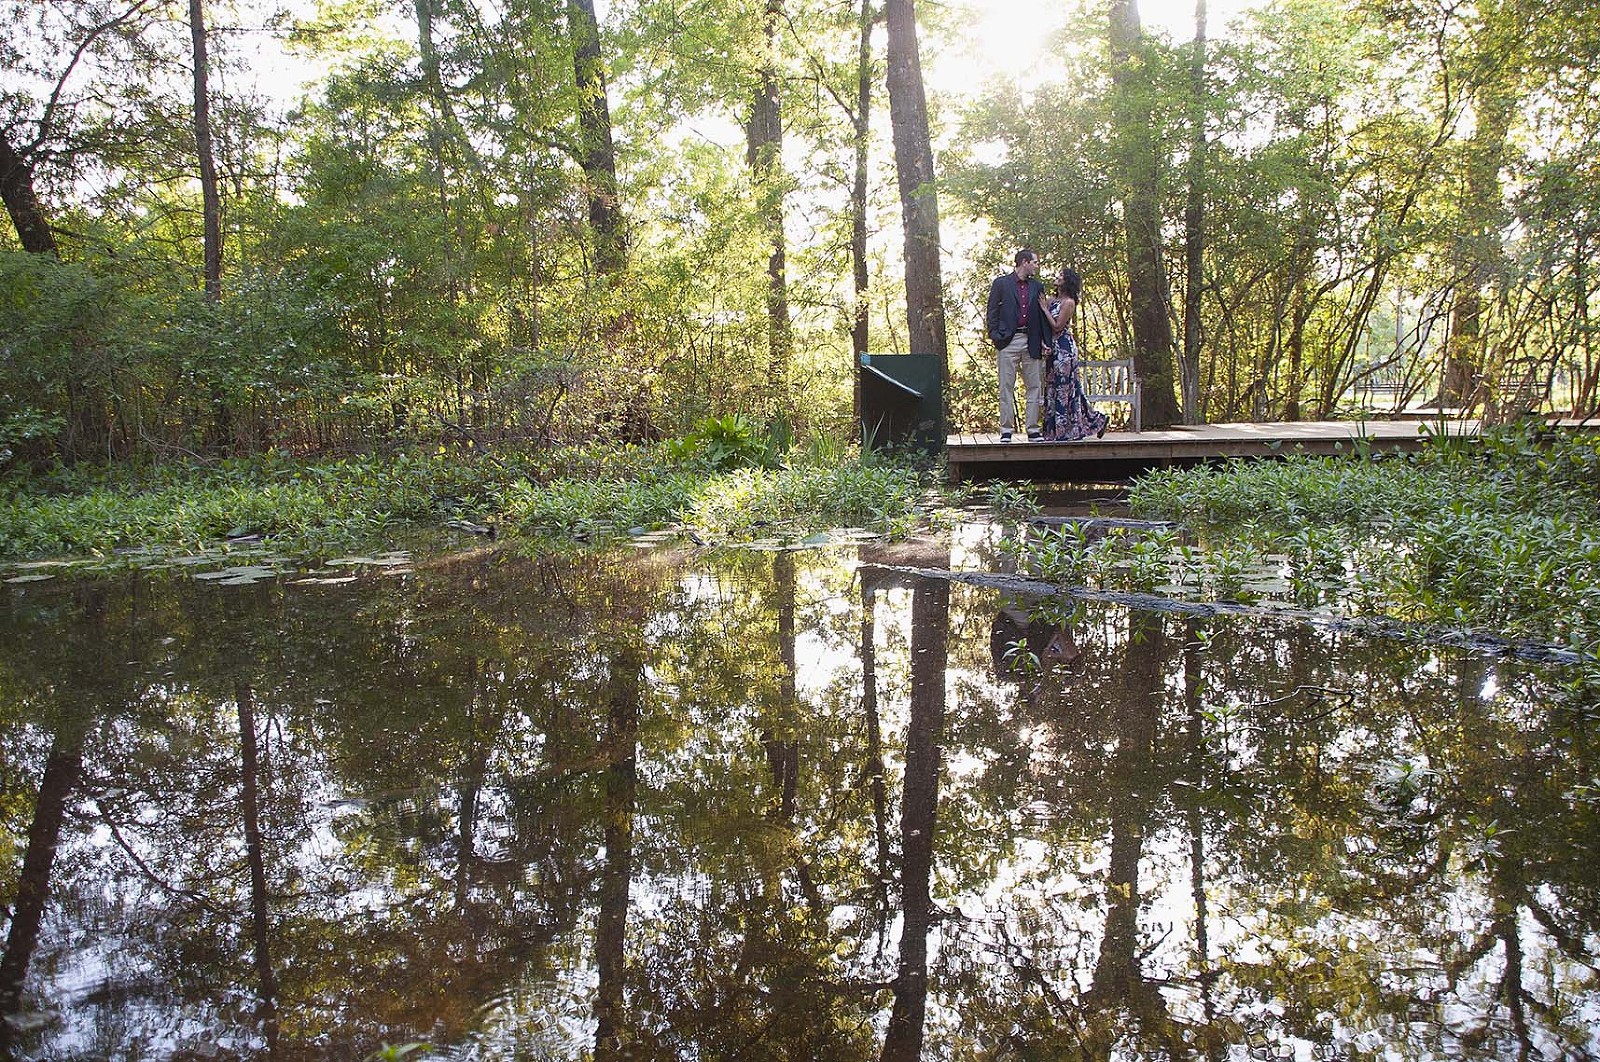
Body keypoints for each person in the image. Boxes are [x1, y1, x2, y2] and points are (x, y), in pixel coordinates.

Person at [985, 248, 1050, 442]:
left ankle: (1033, 429)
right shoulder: (1001, 284)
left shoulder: (1037, 286)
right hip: (1008, 341)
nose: (1037, 266)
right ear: (1024, 262)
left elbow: (1041, 316)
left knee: (1034, 386)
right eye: (1035, 262)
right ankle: (1006, 430)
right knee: (1006, 386)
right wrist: (995, 335)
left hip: (1031, 341)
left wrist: (1045, 341)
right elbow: (992, 311)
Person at [1038, 267, 1108, 441]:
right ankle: (1094, 420)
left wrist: (1045, 310)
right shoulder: (1052, 299)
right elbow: (1041, 322)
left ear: (1067, 281)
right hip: (1052, 350)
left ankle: (1065, 430)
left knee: (1065, 388)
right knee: (1055, 388)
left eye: (1061, 276)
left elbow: (1057, 326)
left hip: (1065, 350)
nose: (1057, 277)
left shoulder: (1069, 302)